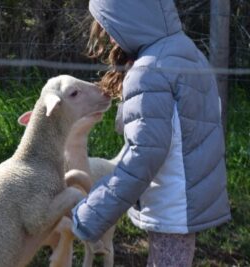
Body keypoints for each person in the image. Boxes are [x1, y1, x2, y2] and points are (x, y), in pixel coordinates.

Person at [71, 0, 231, 266]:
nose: (110, 35)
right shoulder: (186, 51)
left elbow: (143, 154)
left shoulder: (149, 70)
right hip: (185, 196)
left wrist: (92, 213)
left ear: (133, 17)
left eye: (111, 24)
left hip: (173, 200)